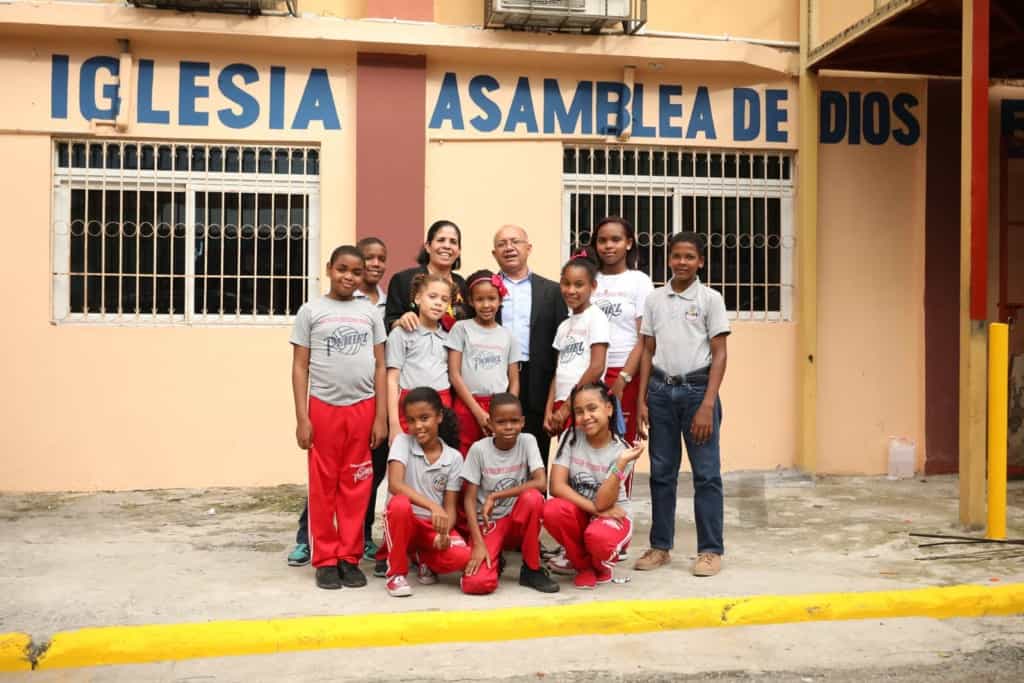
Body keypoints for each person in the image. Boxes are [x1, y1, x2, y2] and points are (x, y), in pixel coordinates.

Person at [290, 245, 388, 590]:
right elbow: (300, 366)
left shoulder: (370, 313)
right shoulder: (311, 311)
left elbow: (380, 365)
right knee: (323, 485)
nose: (349, 277)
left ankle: (349, 556)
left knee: (357, 485)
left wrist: (381, 417)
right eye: (342, 269)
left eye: (356, 272)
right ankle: (326, 559)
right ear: (330, 269)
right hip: (323, 408)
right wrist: (303, 417)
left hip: (363, 409)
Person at [634, 232, 729, 577]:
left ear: (700, 262)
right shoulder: (655, 300)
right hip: (660, 392)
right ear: (669, 259)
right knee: (661, 473)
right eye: (677, 256)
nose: (682, 262)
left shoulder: (710, 299)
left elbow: (719, 354)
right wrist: (643, 398)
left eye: (690, 257)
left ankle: (710, 550)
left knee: (706, 475)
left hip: (696, 392)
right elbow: (647, 350)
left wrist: (707, 404)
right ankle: (661, 546)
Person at [543, 383, 644, 589]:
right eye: (579, 412)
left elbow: (604, 501)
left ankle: (600, 566)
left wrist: (621, 464)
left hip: (615, 516)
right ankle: (583, 566)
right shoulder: (571, 437)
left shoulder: (623, 451)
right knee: (551, 509)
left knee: (597, 537)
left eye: (592, 408)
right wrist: (595, 511)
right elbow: (556, 486)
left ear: (609, 409)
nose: (585, 416)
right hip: (590, 511)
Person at [460, 393, 559, 595]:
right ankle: (495, 557)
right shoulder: (478, 450)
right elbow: (469, 500)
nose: (508, 427)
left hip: (517, 521)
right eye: (501, 422)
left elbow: (540, 482)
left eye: (514, 421)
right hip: (490, 523)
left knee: (533, 498)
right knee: (477, 584)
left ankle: (531, 569)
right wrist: (478, 543)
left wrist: (495, 496)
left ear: (522, 422)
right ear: (490, 423)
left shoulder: (527, 441)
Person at [382, 387, 471, 598]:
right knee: (400, 504)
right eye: (411, 420)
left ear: (439, 416)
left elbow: (449, 507)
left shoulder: (454, 457)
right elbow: (395, 484)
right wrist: (432, 506)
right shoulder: (402, 442)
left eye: (424, 418)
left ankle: (425, 558)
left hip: (430, 528)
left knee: (463, 556)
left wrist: (443, 533)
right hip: (404, 523)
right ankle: (395, 573)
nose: (417, 426)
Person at [491, 225, 567, 467]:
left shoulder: (552, 291)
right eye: (502, 244)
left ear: (528, 248)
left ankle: (535, 503)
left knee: (536, 455)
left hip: (538, 381)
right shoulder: (486, 289)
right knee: (495, 453)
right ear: (494, 253)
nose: (509, 247)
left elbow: (562, 345)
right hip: (496, 376)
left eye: (515, 241)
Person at [588, 217, 654, 447]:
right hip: (589, 372)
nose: (608, 246)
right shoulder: (588, 280)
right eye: (602, 240)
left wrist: (623, 379)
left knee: (620, 446)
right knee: (587, 447)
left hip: (625, 372)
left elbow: (644, 338)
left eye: (615, 239)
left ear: (628, 243)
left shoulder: (639, 281)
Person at [446, 269, 520, 455]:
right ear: (471, 301)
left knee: (495, 456)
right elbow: (454, 374)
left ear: (500, 300)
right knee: (465, 455)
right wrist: (477, 411)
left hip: (498, 407)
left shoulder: (508, 336)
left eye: (491, 298)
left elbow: (514, 380)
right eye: (480, 299)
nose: (486, 305)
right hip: (467, 405)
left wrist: (508, 411)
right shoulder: (461, 329)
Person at [544, 253, 610, 436]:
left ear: (593, 286)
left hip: (583, 404)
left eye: (579, 284)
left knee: (584, 460)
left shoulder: (596, 318)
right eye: (566, 283)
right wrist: (549, 411)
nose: (571, 290)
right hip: (562, 404)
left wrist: (568, 407)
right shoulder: (564, 326)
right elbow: (558, 372)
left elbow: (596, 367)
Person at [386, 274, 456, 440]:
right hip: (409, 406)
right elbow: (392, 379)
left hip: (442, 403)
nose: (438, 303)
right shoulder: (402, 333)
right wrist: (394, 423)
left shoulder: (450, 335)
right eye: (432, 297)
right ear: (418, 298)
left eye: (444, 299)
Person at [385, 220, 469, 332]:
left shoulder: (462, 284)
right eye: (441, 240)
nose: (447, 246)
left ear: (458, 251)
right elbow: (389, 322)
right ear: (428, 246)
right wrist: (400, 321)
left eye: (453, 242)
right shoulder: (403, 280)